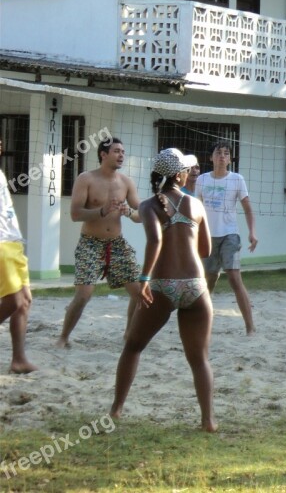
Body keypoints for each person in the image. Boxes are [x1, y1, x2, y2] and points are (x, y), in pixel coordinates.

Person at [110, 148, 217, 432]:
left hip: (162, 284)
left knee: (133, 346)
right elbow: (205, 249)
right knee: (199, 359)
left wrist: (144, 277)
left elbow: (155, 241)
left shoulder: (148, 205)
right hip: (196, 286)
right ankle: (208, 420)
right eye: (186, 170)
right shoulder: (196, 205)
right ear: (179, 174)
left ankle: (117, 409)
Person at [57, 137, 142, 348]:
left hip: (116, 243)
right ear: (103, 155)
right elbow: (75, 214)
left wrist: (129, 211)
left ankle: (129, 335)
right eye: (116, 151)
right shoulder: (86, 179)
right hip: (90, 243)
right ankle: (63, 337)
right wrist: (102, 211)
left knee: (140, 293)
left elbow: (141, 215)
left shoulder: (126, 182)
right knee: (84, 294)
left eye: (123, 151)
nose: (121, 155)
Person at [195, 141, 257, 335]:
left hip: (230, 235)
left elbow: (247, 208)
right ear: (211, 157)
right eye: (218, 153)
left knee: (234, 278)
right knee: (208, 282)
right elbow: (196, 209)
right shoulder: (202, 180)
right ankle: (202, 323)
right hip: (207, 237)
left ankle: (250, 327)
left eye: (226, 153)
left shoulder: (237, 179)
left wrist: (252, 232)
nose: (222, 156)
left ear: (229, 159)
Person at [0, 138, 37, 374]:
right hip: (1, 244)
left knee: (24, 301)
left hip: (13, 241)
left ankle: (18, 360)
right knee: (13, 300)